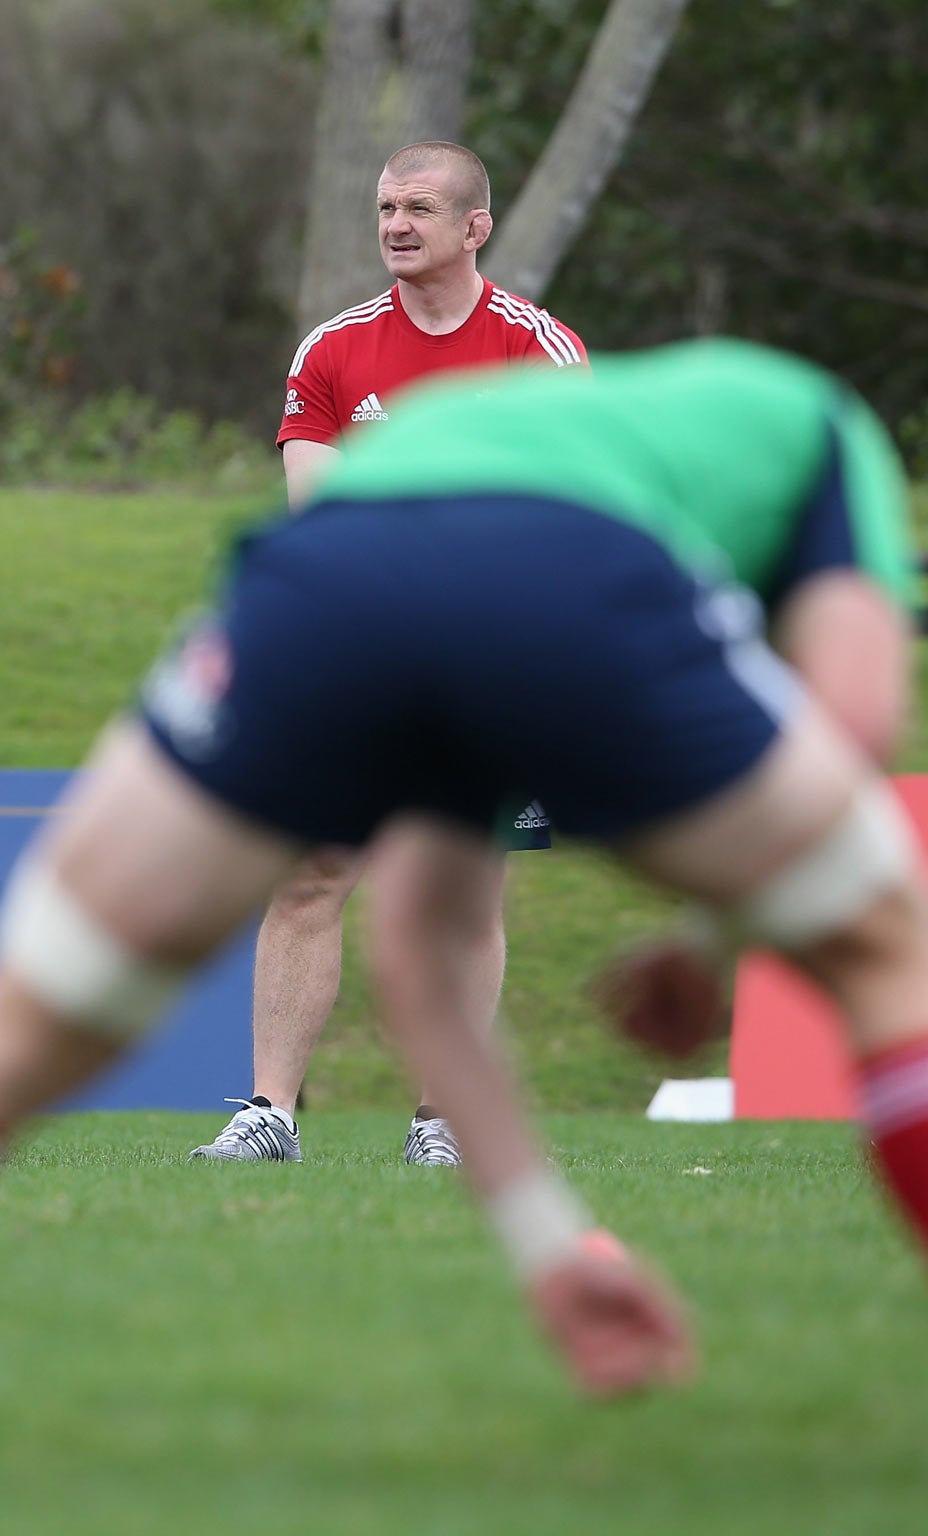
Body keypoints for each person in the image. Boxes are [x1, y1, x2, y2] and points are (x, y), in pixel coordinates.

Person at [0, 341, 928, 1479]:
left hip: (326, 581)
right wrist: (715, 941)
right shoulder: (817, 424)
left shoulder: (464, 431)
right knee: (889, 960)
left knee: (17, 1043)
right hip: (573, 575)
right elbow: (852, 727)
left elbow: (425, 932)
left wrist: (544, 1238)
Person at [195, 140, 589, 1168]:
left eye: (418, 207)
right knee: (308, 872)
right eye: (383, 207)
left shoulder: (534, 349)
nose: (395, 224)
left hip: (492, 666)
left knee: (462, 892)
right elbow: (315, 517)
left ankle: (438, 1121)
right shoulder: (331, 350)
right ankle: (268, 1114)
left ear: (475, 227)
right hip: (356, 660)